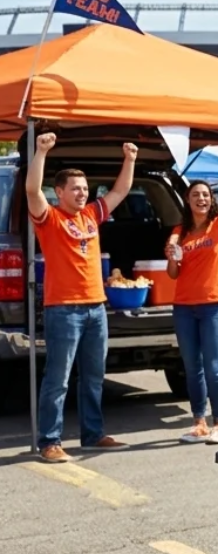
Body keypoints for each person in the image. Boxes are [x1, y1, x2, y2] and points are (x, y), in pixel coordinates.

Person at [26, 132, 137, 462]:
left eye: (85, 188)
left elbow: (119, 191)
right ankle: (50, 441)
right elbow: (32, 190)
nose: (82, 192)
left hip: (95, 308)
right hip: (64, 309)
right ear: (58, 192)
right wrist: (41, 151)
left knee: (93, 378)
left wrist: (129, 159)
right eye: (75, 188)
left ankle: (92, 434)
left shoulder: (91, 215)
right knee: (58, 379)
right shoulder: (49, 218)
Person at [168, 139, 218, 445]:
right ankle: (198, 422)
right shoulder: (179, 232)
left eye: (205, 194)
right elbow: (174, 273)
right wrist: (174, 257)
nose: (200, 198)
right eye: (195, 195)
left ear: (211, 199)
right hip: (184, 307)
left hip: (214, 305)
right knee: (192, 368)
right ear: (187, 201)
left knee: (214, 367)